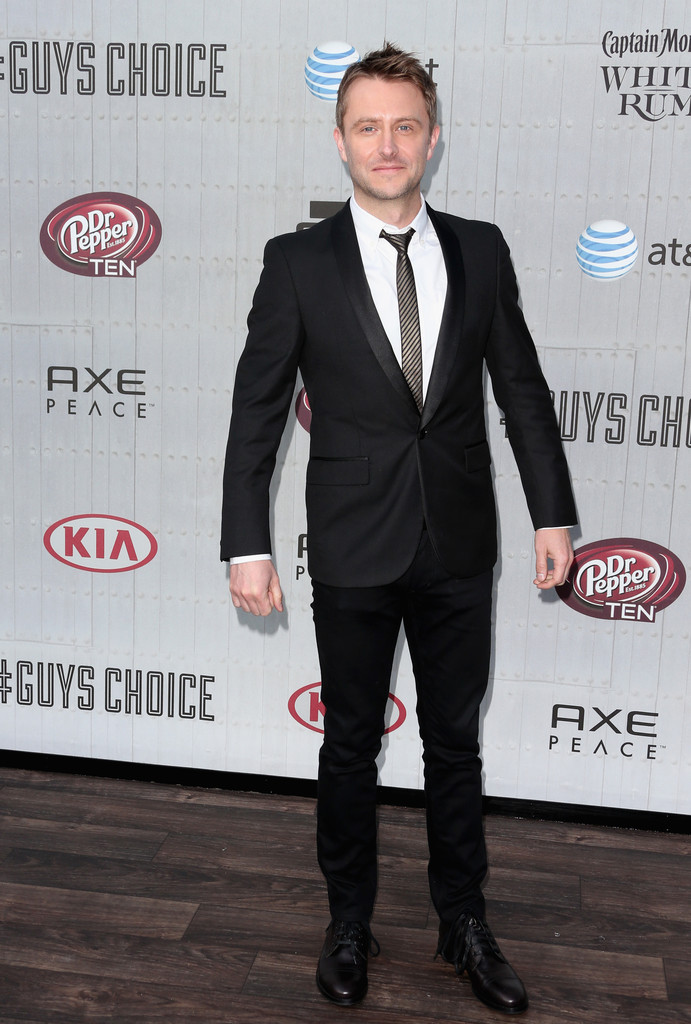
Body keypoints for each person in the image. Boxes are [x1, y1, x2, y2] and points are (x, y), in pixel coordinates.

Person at [221, 43, 577, 1015]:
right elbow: (258, 410)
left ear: (433, 136)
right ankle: (348, 921)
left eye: (404, 125)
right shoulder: (296, 262)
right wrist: (243, 539)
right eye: (368, 126)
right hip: (351, 543)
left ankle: (462, 920)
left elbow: (522, 391)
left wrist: (553, 510)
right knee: (348, 745)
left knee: (452, 743)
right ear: (339, 140)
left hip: (461, 540)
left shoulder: (481, 247)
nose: (387, 144)